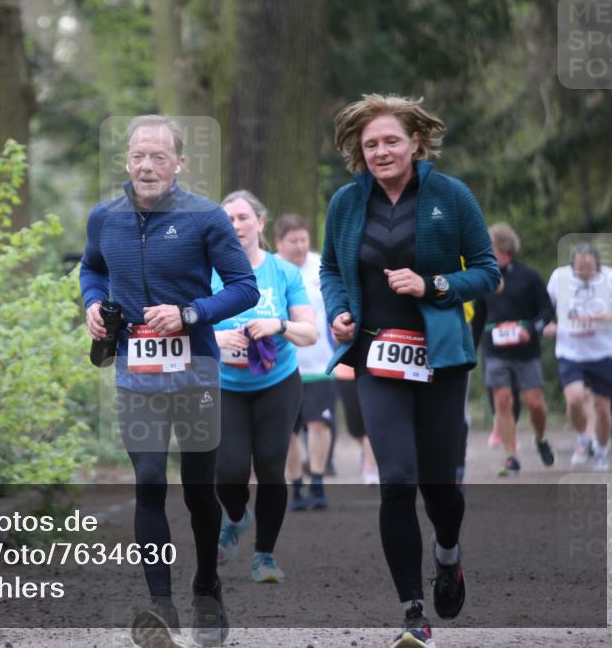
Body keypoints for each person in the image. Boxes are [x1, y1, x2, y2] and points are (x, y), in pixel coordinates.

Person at [320, 94, 500, 648]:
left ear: (416, 141)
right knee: (396, 479)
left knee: (439, 486)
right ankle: (412, 613)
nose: (381, 151)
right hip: (377, 356)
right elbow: (330, 269)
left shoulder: (450, 195)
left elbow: (488, 273)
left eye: (391, 140)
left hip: (439, 356)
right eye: (370, 144)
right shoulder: (346, 204)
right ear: (359, 151)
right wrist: (339, 313)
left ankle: (448, 553)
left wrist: (435, 285)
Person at [80, 116, 258, 648]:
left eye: (159, 157)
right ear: (127, 161)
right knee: (150, 480)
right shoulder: (104, 218)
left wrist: (191, 313)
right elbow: (91, 269)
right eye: (138, 156)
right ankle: (159, 606)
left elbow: (244, 288)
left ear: (179, 163)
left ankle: (207, 584)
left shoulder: (205, 217)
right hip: (135, 370)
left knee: (199, 491)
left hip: (195, 369)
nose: (147, 166)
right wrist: (91, 304)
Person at [211, 192, 317, 583]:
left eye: (242, 218)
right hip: (226, 384)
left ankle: (265, 557)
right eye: (228, 220)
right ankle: (236, 517)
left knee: (272, 464)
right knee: (229, 469)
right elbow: (187, 326)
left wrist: (279, 325)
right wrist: (217, 339)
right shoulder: (206, 272)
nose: (235, 226)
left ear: (259, 223)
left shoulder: (282, 272)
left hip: (277, 382)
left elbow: (310, 331)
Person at [478, 223, 556, 476]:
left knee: (534, 403)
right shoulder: (483, 277)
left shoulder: (528, 276)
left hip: (526, 351)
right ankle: (511, 456)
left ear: (503, 247)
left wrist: (531, 330)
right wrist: (470, 342)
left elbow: (547, 310)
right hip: (495, 351)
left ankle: (541, 438)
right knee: (503, 401)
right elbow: (477, 316)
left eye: (488, 245)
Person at [543, 242, 612, 471]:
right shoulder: (559, 278)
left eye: (589, 268)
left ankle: (601, 450)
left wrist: (611, 315)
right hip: (571, 351)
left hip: (603, 352)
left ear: (598, 265)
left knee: (602, 406)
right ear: (572, 266)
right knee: (574, 399)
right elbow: (545, 306)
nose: (585, 273)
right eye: (580, 269)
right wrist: (548, 323)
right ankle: (584, 437)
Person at [273, 213, 337, 508]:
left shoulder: (322, 266)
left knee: (319, 424)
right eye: (292, 241)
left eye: (303, 239)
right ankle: (296, 485)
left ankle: (318, 482)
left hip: (321, 362)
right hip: (281, 365)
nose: (299, 246)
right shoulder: (270, 268)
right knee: (288, 431)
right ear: (278, 243)